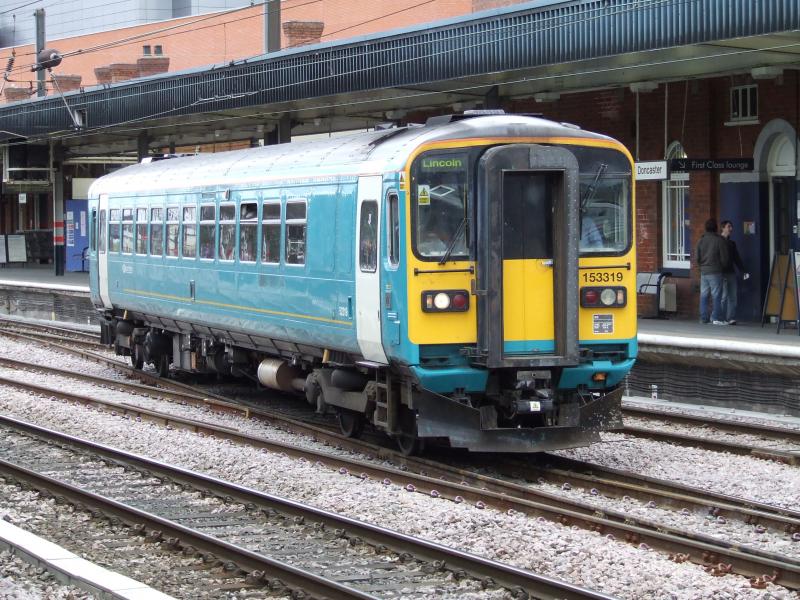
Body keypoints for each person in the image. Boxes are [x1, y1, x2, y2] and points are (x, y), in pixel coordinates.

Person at [695, 218, 730, 325]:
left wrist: (701, 266)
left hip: (704, 271)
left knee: (704, 295)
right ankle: (716, 318)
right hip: (715, 271)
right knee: (716, 295)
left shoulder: (701, 240)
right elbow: (724, 258)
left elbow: (697, 257)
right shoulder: (719, 240)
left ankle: (703, 318)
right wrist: (722, 267)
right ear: (716, 228)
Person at [719, 220, 750, 325]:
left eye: (731, 227)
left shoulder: (732, 243)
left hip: (731, 272)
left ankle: (730, 318)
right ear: (722, 228)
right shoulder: (718, 241)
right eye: (728, 227)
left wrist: (743, 270)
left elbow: (736, 258)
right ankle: (720, 318)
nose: (731, 229)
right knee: (723, 296)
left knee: (733, 297)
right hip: (721, 272)